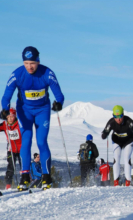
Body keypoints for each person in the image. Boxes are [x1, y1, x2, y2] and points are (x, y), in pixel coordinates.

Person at [0, 46, 64, 191]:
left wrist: (58, 103)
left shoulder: (47, 73)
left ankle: (47, 177)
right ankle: (25, 177)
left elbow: (59, 94)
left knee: (41, 141)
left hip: (43, 110)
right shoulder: (17, 74)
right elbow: (6, 96)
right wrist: (4, 109)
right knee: (26, 140)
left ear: (38, 61)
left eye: (33, 63)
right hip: (25, 110)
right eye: (26, 63)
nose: (29, 67)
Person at [101, 105, 133, 187]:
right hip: (116, 141)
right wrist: (105, 133)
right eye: (115, 116)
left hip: (128, 141)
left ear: (123, 115)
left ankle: (128, 181)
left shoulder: (129, 121)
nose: (118, 119)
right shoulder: (111, 122)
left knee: (126, 158)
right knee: (116, 158)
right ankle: (116, 181)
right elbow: (103, 136)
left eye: (120, 116)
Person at [0, 107, 22, 189]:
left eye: (11, 117)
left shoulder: (19, 124)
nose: (9, 119)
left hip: (22, 149)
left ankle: (25, 181)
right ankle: (8, 185)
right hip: (11, 149)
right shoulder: (5, 124)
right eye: (8, 117)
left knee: (23, 166)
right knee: (10, 167)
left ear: (15, 116)